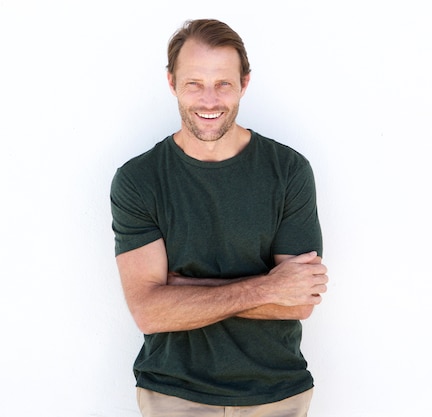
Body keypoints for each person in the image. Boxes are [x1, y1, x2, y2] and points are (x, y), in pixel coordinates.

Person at [110, 19, 328, 417]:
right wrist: (267, 288)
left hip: (278, 393)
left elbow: (299, 301)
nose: (209, 100)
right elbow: (149, 311)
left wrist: (182, 289)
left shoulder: (288, 170)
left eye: (223, 83)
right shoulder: (139, 180)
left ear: (244, 83)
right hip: (173, 394)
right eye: (194, 83)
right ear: (172, 82)